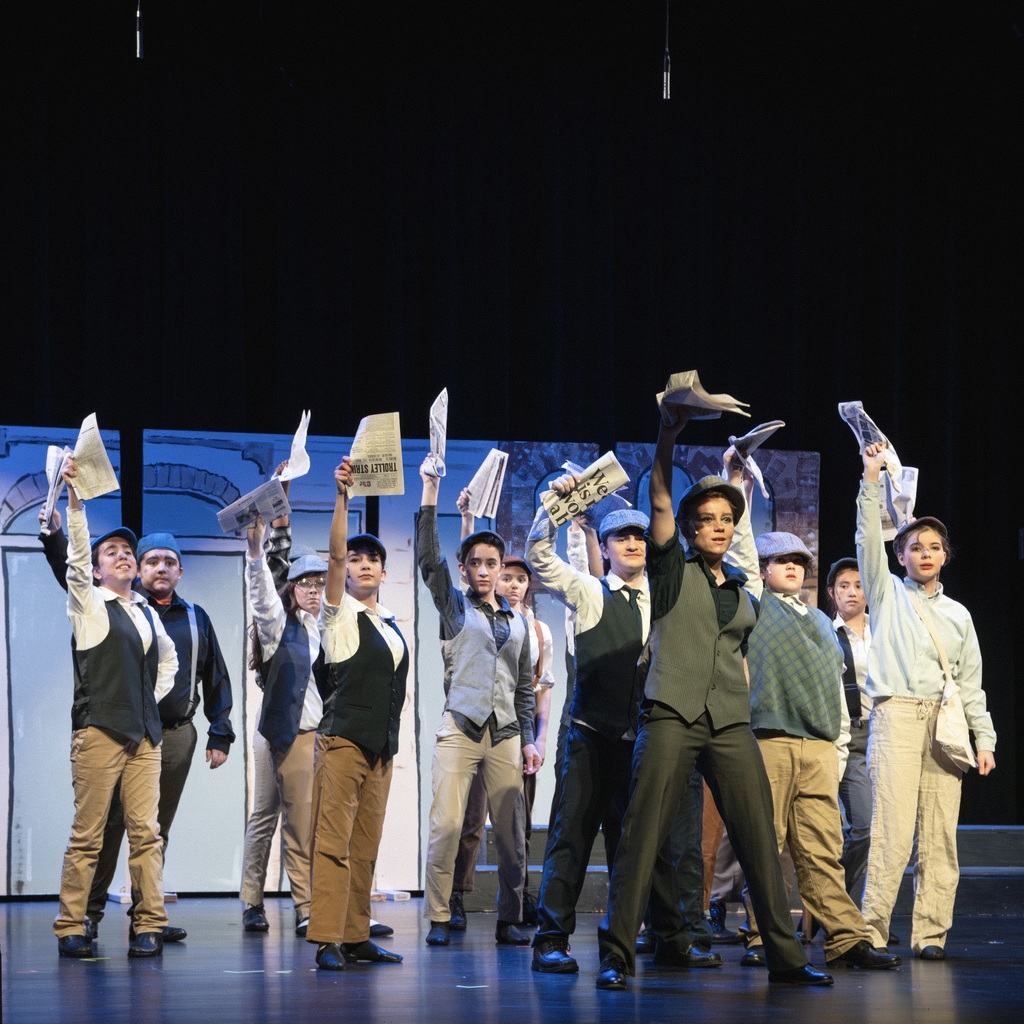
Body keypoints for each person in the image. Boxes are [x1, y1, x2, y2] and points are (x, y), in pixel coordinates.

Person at [595, 408, 831, 989]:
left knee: (756, 838)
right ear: (690, 527)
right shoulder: (671, 568)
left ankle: (786, 958)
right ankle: (618, 956)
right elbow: (656, 501)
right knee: (641, 834)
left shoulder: (742, 586)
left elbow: (736, 650)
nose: (720, 527)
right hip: (671, 714)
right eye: (707, 519)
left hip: (728, 720)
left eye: (728, 518)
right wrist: (667, 436)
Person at [724, 449, 899, 972]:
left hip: (821, 746)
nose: (794, 569)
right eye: (783, 562)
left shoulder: (825, 624)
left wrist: (839, 747)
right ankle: (762, 937)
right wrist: (737, 481)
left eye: (800, 563)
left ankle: (847, 939)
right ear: (764, 569)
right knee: (766, 844)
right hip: (771, 740)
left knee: (823, 847)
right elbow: (738, 545)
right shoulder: (756, 603)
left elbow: (835, 690)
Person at [857, 441, 996, 959]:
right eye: (916, 547)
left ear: (945, 555)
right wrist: (871, 481)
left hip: (944, 722)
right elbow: (866, 538)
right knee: (891, 832)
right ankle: (870, 933)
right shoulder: (887, 592)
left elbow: (971, 683)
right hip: (896, 716)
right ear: (900, 556)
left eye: (934, 546)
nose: (925, 553)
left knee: (939, 836)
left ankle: (931, 935)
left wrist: (984, 739)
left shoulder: (959, 614)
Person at [52, 457, 178, 958]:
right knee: (88, 835)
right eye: (114, 552)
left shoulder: (144, 611)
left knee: (147, 834)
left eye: (129, 551)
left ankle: (149, 923)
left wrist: (150, 703)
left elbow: (166, 663)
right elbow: (76, 558)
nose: (124, 556)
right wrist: (76, 502)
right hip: (100, 731)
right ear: (100, 568)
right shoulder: (87, 603)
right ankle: (71, 926)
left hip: (145, 737)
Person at [417, 458, 540, 947]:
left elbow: (526, 689)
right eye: (477, 564)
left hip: (506, 733)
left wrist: (529, 739)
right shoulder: (454, 606)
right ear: (466, 569)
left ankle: (510, 918)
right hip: (461, 727)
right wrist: (431, 492)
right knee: (447, 825)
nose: (486, 571)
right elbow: (429, 560)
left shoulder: (520, 622)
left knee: (512, 833)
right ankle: (441, 916)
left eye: (494, 564)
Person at [307, 458, 408, 970]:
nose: (364, 564)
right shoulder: (338, 614)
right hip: (343, 740)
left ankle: (355, 933)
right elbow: (333, 556)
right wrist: (343, 497)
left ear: (385, 572)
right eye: (356, 559)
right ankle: (327, 938)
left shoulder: (390, 623)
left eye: (373, 560)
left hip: (381, 746)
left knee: (366, 845)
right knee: (333, 843)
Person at [238, 515, 327, 937]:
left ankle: (298, 902)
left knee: (294, 818)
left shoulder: (325, 628)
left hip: (307, 733)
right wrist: (256, 553)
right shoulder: (278, 626)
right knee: (274, 818)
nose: (313, 591)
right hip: (281, 732)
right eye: (305, 584)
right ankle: (274, 903)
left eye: (319, 583)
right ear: (291, 589)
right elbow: (261, 597)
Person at [827, 557, 875, 907]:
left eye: (859, 585)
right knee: (862, 828)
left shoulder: (886, 631)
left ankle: (869, 914)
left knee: (888, 834)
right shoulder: (825, 634)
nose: (852, 592)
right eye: (844, 586)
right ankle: (832, 905)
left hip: (888, 734)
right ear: (831, 593)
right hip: (851, 738)